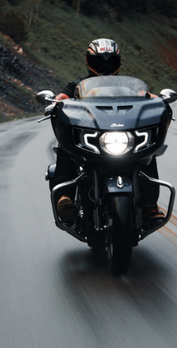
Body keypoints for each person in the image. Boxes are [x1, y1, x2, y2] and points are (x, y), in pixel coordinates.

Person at [50, 38, 163, 225]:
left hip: (121, 136)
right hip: (93, 137)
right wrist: (55, 102)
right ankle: (65, 197)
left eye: (110, 61)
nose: (105, 66)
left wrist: (159, 101)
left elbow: (147, 96)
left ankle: (150, 204)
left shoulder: (129, 87)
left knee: (148, 151)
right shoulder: (77, 86)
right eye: (99, 61)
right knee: (65, 146)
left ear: (117, 63)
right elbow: (62, 97)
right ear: (89, 62)